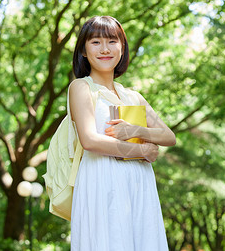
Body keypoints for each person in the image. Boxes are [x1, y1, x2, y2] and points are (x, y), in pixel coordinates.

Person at [68, 16, 176, 250]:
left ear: (122, 48)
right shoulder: (81, 87)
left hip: (139, 181)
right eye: (95, 42)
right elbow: (89, 140)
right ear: (83, 51)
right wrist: (142, 149)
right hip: (101, 178)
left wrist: (135, 130)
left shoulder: (133, 96)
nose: (105, 49)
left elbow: (168, 136)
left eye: (112, 42)